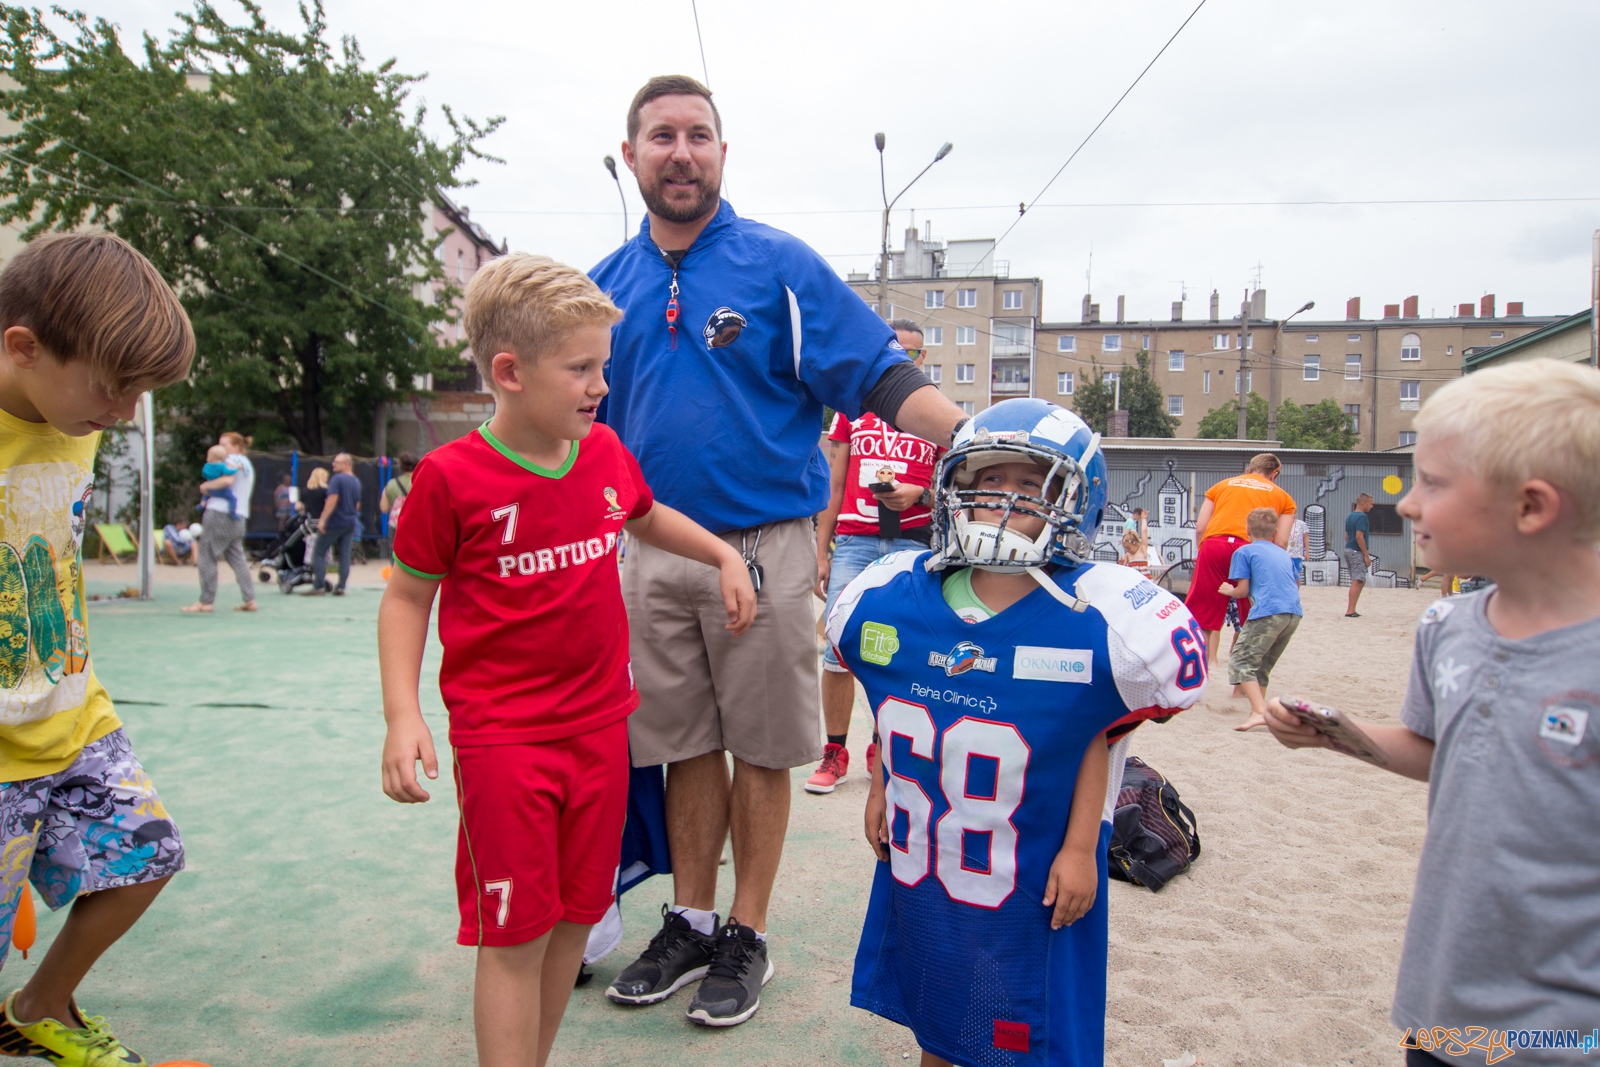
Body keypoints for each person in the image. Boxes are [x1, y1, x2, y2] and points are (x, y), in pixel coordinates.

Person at [590, 74, 967, 1026]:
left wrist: (971, 438)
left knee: (759, 747)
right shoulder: (603, 286)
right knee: (681, 745)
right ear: (631, 155)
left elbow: (878, 373)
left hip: (763, 545)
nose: (682, 152)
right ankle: (690, 916)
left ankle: (746, 933)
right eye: (662, 136)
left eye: (700, 136)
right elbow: (569, 421)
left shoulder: (777, 266)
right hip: (646, 551)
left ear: (723, 154)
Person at [378, 254, 756, 1067]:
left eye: (603, 367)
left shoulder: (605, 452)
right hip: (505, 744)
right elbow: (407, 597)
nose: (598, 385)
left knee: (576, 919)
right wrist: (403, 715)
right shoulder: (450, 479)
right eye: (580, 367)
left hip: (601, 734)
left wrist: (723, 556)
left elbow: (647, 519)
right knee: (513, 936)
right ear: (509, 372)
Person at [827, 399, 1206, 1067]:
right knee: (939, 1020)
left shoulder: (1094, 614)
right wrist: (883, 785)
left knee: (1031, 1032)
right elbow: (895, 699)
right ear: (954, 489)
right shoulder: (891, 593)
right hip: (930, 863)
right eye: (988, 480)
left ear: (1074, 499)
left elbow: (1095, 732)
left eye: (1029, 486)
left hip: (1028, 868)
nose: (1003, 498)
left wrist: (1084, 845)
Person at [1262, 359, 1600, 1067]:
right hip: (1447, 1002)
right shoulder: (1446, 624)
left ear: (1531, 507)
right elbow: (1441, 749)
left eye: (1433, 483)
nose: (1408, 504)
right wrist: (1337, 736)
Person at [0, 231, 193, 1065]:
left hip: (73, 713)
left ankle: (41, 1004)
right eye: (115, 390)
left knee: (149, 855)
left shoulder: (70, 413)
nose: (124, 413)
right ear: (23, 347)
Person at [809, 318, 942, 795]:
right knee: (837, 649)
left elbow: (950, 490)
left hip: (911, 543)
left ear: (923, 360)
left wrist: (919, 493)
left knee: (900, 650)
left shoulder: (935, 417)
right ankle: (835, 749)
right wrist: (822, 551)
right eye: (896, 350)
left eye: (914, 354)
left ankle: (884, 746)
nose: (905, 360)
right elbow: (835, 483)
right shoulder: (854, 410)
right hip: (855, 541)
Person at [1185, 454, 1295, 667]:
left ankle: (1203, 664)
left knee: (1204, 612)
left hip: (1214, 544)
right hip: (1251, 548)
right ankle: (1243, 670)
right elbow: (1281, 542)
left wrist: (1204, 549)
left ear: (1248, 469)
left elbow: (1200, 527)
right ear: (1274, 474)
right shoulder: (1284, 497)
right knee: (1252, 614)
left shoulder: (1220, 486)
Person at [1218, 507, 1303, 732]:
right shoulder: (1282, 552)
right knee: (1262, 666)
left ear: (1247, 530)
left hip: (1268, 612)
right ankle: (1258, 712)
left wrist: (1229, 590)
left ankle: (1259, 711)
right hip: (1293, 613)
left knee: (1240, 661)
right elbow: (1295, 583)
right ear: (1275, 531)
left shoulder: (1244, 552)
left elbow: (1243, 590)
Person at [183, 429, 256, 613]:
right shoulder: (246, 463)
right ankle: (249, 599)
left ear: (236, 446)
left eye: (224, 445)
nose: (219, 448)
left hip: (219, 514)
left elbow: (227, 480)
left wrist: (206, 486)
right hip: (239, 516)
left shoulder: (230, 461)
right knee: (237, 558)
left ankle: (206, 601)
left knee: (206, 555)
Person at [308, 452, 361, 596]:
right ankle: (341, 586)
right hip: (350, 522)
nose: (333, 464)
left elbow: (332, 499)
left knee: (318, 553)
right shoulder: (355, 481)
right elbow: (357, 504)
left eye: (336, 462)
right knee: (344, 554)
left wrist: (323, 519)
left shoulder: (337, 479)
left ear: (346, 464)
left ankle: (318, 585)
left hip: (334, 522)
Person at [1343, 492, 1374, 617]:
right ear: (1363, 503)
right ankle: (1351, 610)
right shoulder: (1362, 517)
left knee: (1358, 579)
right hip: (1357, 551)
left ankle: (1352, 609)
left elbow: (1347, 535)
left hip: (1348, 549)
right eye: (1371, 504)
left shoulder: (1350, 516)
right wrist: (1366, 555)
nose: (1372, 507)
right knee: (1358, 580)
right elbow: (1359, 536)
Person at [380, 451, 417, 534]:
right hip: (415, 526)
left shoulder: (391, 484)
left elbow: (384, 508)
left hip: (396, 527)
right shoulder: (421, 483)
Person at [199, 444, 238, 516]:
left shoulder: (206, 466)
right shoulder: (222, 466)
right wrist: (235, 468)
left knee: (205, 495)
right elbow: (228, 472)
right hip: (221, 489)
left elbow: (204, 474)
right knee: (233, 499)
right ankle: (232, 511)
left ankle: (202, 504)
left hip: (210, 489)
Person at [1286, 514, 1308, 584]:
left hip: (1297, 553)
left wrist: (1307, 552)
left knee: (1296, 574)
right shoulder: (1283, 524)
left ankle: (1296, 591)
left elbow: (1306, 538)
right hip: (1285, 553)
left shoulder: (1302, 524)